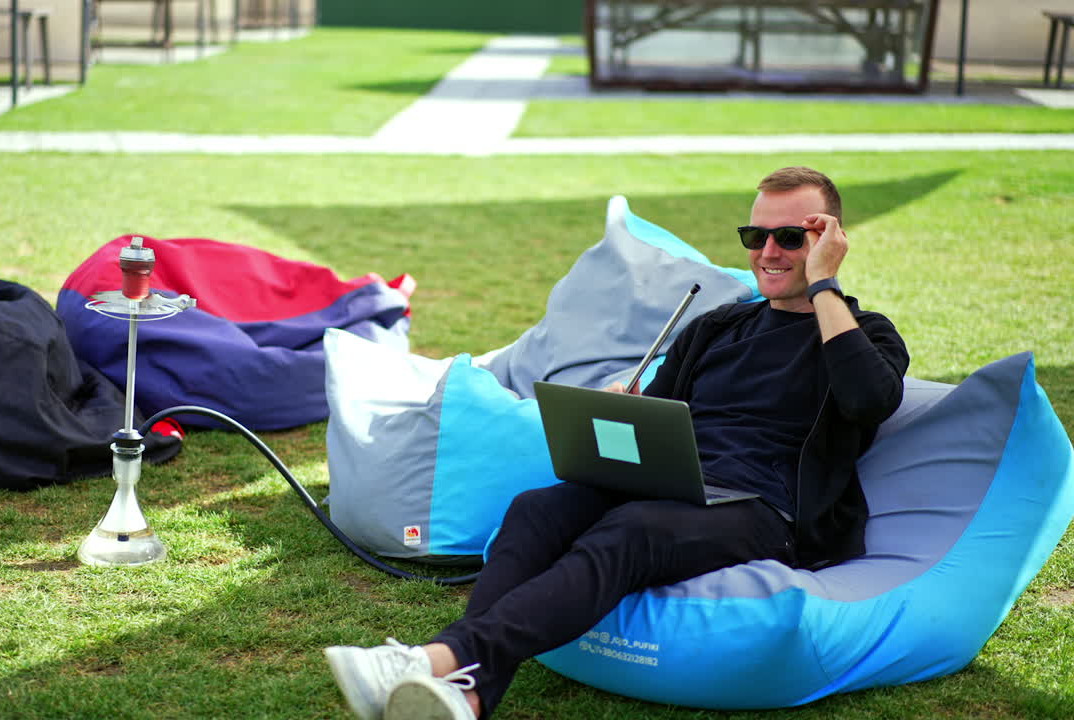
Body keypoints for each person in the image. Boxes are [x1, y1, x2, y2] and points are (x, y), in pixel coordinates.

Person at [324, 167, 910, 720]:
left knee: (632, 533)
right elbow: (662, 416)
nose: (768, 252)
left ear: (831, 239)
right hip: (677, 483)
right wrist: (623, 408)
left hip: (766, 508)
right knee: (534, 510)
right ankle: (471, 695)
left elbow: (867, 400)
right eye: (755, 235)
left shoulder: (866, 334)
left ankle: (435, 660)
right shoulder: (718, 327)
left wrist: (827, 286)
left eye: (790, 236)